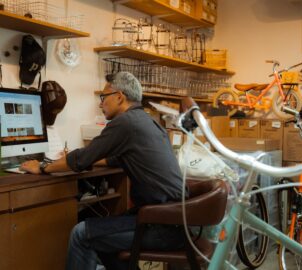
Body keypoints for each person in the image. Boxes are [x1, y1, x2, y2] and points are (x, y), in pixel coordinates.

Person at [20, 71, 185, 270]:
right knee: (102, 241)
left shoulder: (125, 123)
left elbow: (80, 161)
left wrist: (43, 167)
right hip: (174, 221)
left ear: (119, 96)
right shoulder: (148, 122)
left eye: (103, 97)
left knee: (81, 234)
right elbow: (115, 159)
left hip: (160, 226)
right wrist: (81, 156)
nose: (100, 104)